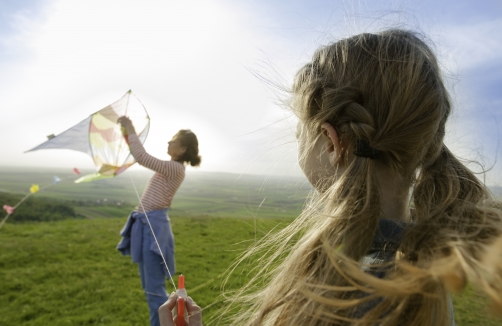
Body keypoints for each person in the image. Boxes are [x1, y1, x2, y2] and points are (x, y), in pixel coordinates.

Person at [163, 29, 502, 325]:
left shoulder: (347, 294)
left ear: (330, 143)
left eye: (300, 130)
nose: (297, 137)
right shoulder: (418, 275)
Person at [117, 116, 201, 326]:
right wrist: (127, 135)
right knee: (149, 288)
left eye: (173, 140)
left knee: (154, 291)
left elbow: (141, 157)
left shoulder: (175, 168)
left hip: (153, 228)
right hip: (146, 225)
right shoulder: (171, 167)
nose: (168, 143)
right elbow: (139, 154)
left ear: (181, 149)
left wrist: (130, 127)